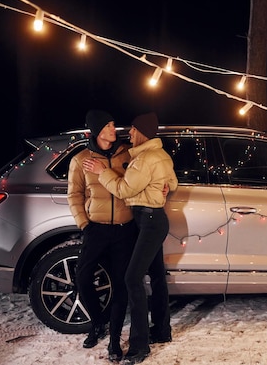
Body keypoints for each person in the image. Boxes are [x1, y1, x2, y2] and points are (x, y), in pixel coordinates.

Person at [83, 111, 177, 365]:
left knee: (132, 279)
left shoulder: (146, 158)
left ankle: (139, 346)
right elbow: (174, 182)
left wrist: (103, 171)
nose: (129, 133)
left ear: (142, 132)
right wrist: (163, 187)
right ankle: (161, 330)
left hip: (148, 223)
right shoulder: (157, 155)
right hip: (150, 221)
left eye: (133, 130)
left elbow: (124, 190)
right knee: (156, 276)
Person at [67, 110, 137, 363]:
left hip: (124, 229)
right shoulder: (81, 160)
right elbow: (74, 195)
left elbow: (139, 180)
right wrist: (84, 224)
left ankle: (115, 340)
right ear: (97, 131)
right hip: (95, 229)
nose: (113, 129)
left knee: (121, 285)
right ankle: (97, 322)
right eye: (108, 125)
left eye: (113, 124)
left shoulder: (127, 154)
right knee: (82, 278)